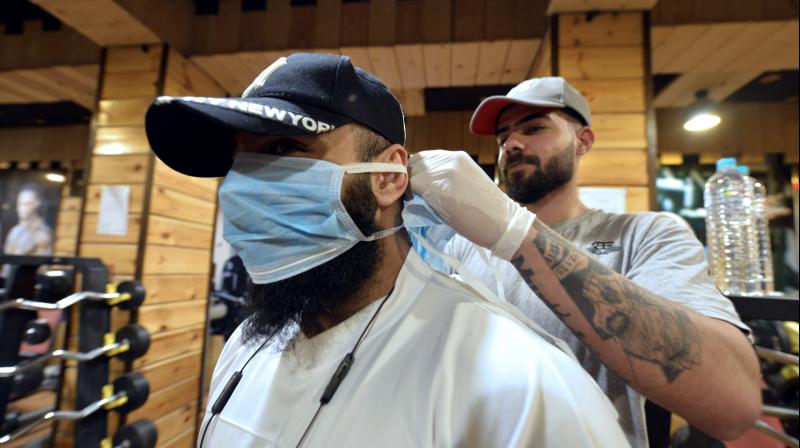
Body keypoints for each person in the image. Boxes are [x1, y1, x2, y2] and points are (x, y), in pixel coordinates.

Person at [144, 54, 630, 447]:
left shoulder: (521, 385)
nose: (242, 188)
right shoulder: (247, 343)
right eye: (238, 160)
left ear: (386, 177)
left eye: (281, 149)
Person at [409, 77, 762, 447]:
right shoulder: (467, 249)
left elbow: (733, 404)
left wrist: (516, 234)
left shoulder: (645, 235)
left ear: (583, 141)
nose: (512, 144)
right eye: (502, 138)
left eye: (533, 128)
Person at [3, 184, 53, 256]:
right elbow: (7, 262)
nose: (21, 208)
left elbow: (44, 263)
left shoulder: (45, 232)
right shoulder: (15, 231)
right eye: (20, 204)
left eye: (26, 204)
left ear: (37, 203)